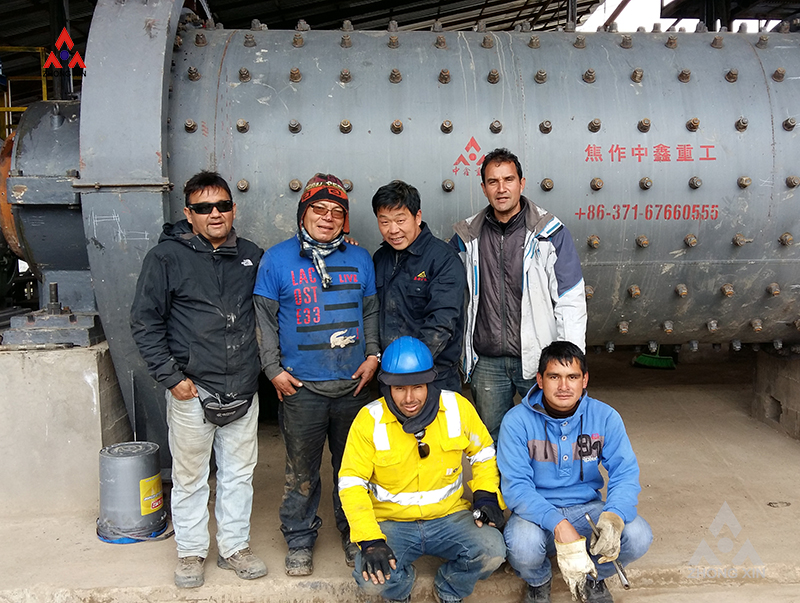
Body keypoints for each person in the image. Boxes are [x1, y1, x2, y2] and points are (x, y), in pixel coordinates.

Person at [130, 171, 267, 588]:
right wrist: (172, 378)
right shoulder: (166, 258)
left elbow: (283, 287)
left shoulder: (251, 255)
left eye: (223, 205)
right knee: (191, 477)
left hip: (242, 387)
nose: (215, 214)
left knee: (239, 476)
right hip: (193, 389)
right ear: (189, 214)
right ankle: (190, 552)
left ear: (233, 208)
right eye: (204, 208)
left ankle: (234, 548)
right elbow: (144, 321)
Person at [253, 173, 380, 576]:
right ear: (303, 213)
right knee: (300, 471)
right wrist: (272, 369)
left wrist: (373, 355)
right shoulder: (276, 259)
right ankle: (299, 538)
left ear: (345, 221)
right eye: (318, 209)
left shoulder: (360, 259)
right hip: (302, 389)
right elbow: (264, 321)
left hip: (353, 387)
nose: (327, 218)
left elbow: (371, 311)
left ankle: (354, 532)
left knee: (353, 468)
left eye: (336, 212)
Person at [339, 336, 506, 603]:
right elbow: (351, 484)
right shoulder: (368, 421)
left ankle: (449, 589)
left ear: (430, 381)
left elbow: (484, 453)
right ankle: (401, 588)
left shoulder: (457, 408)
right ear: (386, 387)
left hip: (449, 518)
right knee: (368, 578)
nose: (409, 398)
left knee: (492, 550)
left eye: (417, 387)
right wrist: (370, 540)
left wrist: (486, 494)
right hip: (393, 524)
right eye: (399, 388)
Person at [497, 341, 652, 603]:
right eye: (554, 376)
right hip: (535, 514)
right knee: (522, 548)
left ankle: (594, 578)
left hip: (587, 509)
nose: (564, 386)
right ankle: (538, 581)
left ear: (585, 380)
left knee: (638, 536)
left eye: (572, 377)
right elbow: (517, 488)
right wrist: (558, 524)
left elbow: (624, 473)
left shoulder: (605, 417)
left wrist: (613, 517)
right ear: (540, 380)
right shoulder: (516, 421)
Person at [450, 147, 587, 442]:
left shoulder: (549, 233)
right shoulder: (467, 236)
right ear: (483, 188)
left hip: (537, 359)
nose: (502, 189)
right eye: (493, 181)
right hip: (486, 362)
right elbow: (438, 274)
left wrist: (571, 362)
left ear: (522, 184)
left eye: (508, 179)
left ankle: (544, 489)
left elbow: (570, 299)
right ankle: (499, 490)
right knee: (492, 439)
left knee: (548, 435)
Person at [371, 180, 466, 392]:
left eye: (400, 220)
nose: (393, 230)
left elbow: (441, 323)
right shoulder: (380, 258)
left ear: (417, 217)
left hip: (433, 376)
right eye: (384, 222)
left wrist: (410, 369)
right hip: (389, 375)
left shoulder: (443, 259)